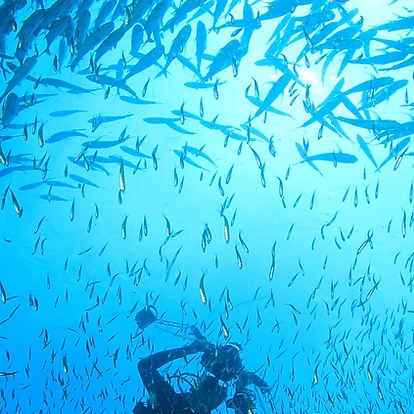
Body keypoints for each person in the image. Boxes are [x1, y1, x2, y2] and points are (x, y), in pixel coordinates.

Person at [133, 334, 228, 414]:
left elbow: (144, 366)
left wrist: (187, 350)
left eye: (199, 385)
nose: (193, 387)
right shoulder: (171, 400)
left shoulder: (169, 402)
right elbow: (145, 366)